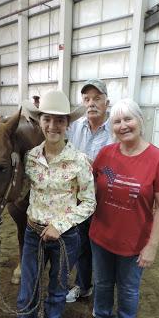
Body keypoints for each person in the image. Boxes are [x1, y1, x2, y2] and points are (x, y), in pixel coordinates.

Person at [6, 90, 96, 318]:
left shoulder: (79, 161)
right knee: (28, 289)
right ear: (40, 121)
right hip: (33, 233)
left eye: (59, 121)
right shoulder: (30, 157)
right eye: (48, 119)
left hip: (65, 237)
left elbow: (89, 201)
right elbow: (21, 191)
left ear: (67, 124)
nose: (53, 126)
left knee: (57, 291)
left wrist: (60, 224)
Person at [87, 98, 159, 318]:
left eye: (128, 119)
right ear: (112, 127)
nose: (123, 125)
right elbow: (95, 185)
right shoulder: (105, 155)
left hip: (134, 242)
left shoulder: (158, 159)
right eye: (117, 121)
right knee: (102, 284)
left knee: (128, 289)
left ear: (140, 120)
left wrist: (152, 245)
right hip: (101, 236)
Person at [65, 78, 113, 303]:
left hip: (108, 198)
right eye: (87, 99)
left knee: (105, 248)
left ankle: (104, 294)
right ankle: (83, 286)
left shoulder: (116, 129)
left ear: (106, 102)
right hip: (81, 199)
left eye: (97, 98)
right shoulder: (74, 127)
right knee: (83, 244)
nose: (91, 103)